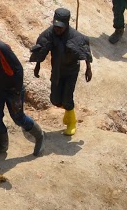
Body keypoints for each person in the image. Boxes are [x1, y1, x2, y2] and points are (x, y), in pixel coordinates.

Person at [0, 20, 44, 158]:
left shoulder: (1, 48)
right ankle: (2, 146)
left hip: (12, 90)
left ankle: (39, 136)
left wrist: (17, 94)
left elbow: (18, 69)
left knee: (18, 118)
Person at [30, 8, 92, 138]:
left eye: (60, 27)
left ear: (67, 25)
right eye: (56, 26)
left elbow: (85, 51)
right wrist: (37, 65)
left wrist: (88, 69)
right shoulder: (49, 34)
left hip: (71, 71)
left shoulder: (76, 36)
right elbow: (42, 48)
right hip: (57, 70)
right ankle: (67, 111)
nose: (57, 29)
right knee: (55, 100)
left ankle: (71, 122)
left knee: (67, 99)